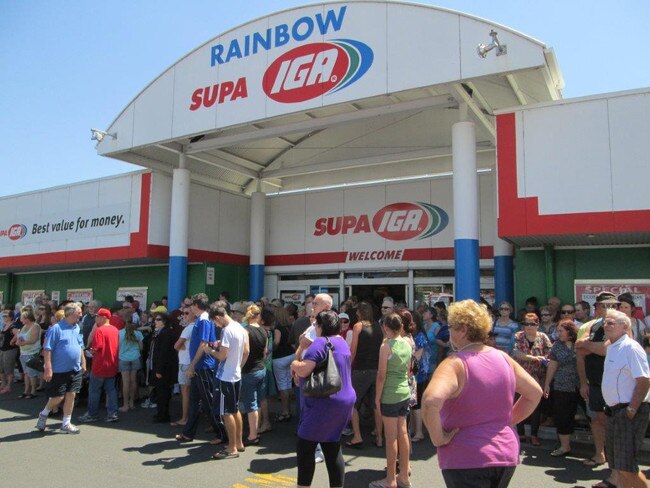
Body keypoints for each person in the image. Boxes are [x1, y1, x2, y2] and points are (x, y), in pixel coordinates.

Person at [422, 299, 543, 488]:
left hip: (465, 457)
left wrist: (438, 438)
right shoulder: (502, 357)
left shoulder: (455, 363)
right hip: (505, 453)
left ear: (463, 329)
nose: (449, 331)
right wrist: (507, 421)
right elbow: (534, 393)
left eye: (451, 326)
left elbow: (430, 402)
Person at [290, 310, 356, 488]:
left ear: (320, 326)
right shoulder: (341, 342)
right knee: (332, 446)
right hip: (344, 399)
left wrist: (294, 363)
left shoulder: (320, 343)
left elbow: (304, 369)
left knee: (305, 446)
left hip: (324, 401)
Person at [601, 309, 650, 488]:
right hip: (615, 412)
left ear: (624, 327)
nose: (606, 325)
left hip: (628, 412)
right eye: (605, 322)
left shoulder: (631, 347)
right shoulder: (611, 346)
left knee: (626, 467)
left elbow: (644, 380)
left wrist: (631, 410)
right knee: (618, 466)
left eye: (611, 323)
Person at [575, 292, 619, 473]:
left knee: (614, 420)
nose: (611, 309)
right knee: (597, 418)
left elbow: (607, 349)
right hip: (594, 382)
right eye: (606, 305)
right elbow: (579, 351)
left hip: (615, 383)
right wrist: (583, 382)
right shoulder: (590, 326)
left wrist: (589, 346)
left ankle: (616, 459)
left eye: (614, 305)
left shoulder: (621, 325)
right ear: (597, 307)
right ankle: (600, 454)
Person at [370, 313, 413, 488]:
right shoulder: (407, 342)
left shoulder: (386, 346)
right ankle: (404, 475)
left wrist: (377, 398)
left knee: (391, 438)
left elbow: (381, 376)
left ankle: (390, 479)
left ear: (386, 327)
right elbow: (409, 369)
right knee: (403, 434)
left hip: (390, 394)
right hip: (404, 392)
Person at [203, 301, 249, 459]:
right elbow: (246, 351)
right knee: (235, 410)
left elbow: (222, 356)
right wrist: (238, 366)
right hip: (235, 374)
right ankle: (239, 443)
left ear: (218, 317)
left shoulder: (227, 331)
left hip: (225, 377)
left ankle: (231, 448)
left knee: (226, 412)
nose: (215, 324)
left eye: (215, 321)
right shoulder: (240, 328)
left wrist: (209, 350)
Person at [175, 293, 222, 443]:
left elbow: (204, 344)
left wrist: (192, 365)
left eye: (191, 306)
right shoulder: (200, 320)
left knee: (209, 401)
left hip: (203, 367)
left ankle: (221, 433)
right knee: (195, 400)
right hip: (199, 366)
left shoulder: (204, 320)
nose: (189, 309)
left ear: (196, 306)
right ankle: (188, 433)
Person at [36, 303, 86, 434]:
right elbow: (47, 349)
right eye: (78, 312)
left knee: (71, 395)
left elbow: (80, 346)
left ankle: (66, 423)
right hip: (59, 370)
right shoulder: (56, 329)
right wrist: (48, 368)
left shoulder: (77, 328)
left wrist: (83, 362)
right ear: (70, 313)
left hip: (75, 369)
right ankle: (44, 413)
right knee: (58, 397)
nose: (81, 315)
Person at [346, 301, 383, 449]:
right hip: (376, 369)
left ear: (361, 313)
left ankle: (357, 436)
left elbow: (353, 350)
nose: (355, 314)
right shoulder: (379, 327)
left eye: (357, 312)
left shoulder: (358, 326)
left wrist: (347, 367)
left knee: (353, 404)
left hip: (361, 369)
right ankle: (380, 438)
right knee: (376, 405)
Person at [512, 312, 551, 446]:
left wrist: (545, 358)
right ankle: (520, 432)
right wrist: (535, 358)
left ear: (537, 325)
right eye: (526, 324)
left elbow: (550, 353)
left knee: (536, 406)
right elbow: (516, 353)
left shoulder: (543, 337)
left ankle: (534, 434)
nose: (528, 327)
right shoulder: (518, 336)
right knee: (518, 403)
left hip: (537, 376)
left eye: (532, 324)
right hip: (521, 375)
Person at [543, 319, 579, 457]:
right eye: (557, 331)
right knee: (563, 415)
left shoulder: (579, 344)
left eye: (561, 331)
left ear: (570, 332)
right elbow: (552, 365)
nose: (558, 334)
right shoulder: (557, 346)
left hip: (579, 384)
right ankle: (565, 446)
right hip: (562, 385)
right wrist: (547, 383)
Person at [79, 308, 119, 423]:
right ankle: (112, 414)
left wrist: (88, 351)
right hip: (111, 364)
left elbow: (96, 349)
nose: (96, 318)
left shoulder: (100, 331)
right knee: (111, 390)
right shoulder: (115, 330)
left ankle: (92, 414)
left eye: (98, 316)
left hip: (99, 365)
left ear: (104, 317)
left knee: (94, 391)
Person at [238, 304, 268, 445]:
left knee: (251, 405)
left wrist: (239, 367)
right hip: (261, 368)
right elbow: (265, 352)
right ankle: (256, 429)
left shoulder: (245, 331)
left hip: (248, 371)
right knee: (259, 401)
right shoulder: (264, 331)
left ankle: (252, 435)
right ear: (259, 316)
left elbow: (245, 352)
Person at [149, 312, 177, 423]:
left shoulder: (166, 333)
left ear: (164, 321)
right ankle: (161, 413)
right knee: (160, 392)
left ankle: (163, 415)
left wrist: (159, 370)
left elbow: (164, 353)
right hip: (157, 367)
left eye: (158, 319)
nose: (155, 321)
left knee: (163, 393)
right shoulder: (159, 332)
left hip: (163, 369)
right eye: (155, 319)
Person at [171, 305, 193, 426]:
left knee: (185, 392)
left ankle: (185, 418)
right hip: (190, 362)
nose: (184, 315)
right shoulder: (195, 327)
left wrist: (181, 345)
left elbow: (176, 345)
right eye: (183, 313)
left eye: (187, 313)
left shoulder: (188, 328)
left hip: (186, 363)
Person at [118, 317, 144, 412]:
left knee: (125, 382)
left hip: (123, 358)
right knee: (133, 381)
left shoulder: (119, 333)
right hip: (135, 357)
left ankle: (125, 405)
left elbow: (117, 347)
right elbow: (141, 348)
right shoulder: (138, 333)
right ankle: (131, 402)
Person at [15, 309, 42, 399]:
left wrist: (23, 343)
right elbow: (20, 337)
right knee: (26, 373)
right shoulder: (24, 326)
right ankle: (26, 391)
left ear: (27, 318)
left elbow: (33, 340)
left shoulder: (35, 326)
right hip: (23, 352)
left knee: (32, 373)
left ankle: (33, 391)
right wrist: (18, 341)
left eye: (22, 318)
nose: (21, 320)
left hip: (32, 353)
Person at [0, 309, 20, 394]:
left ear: (11, 317)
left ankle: (8, 386)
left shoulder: (13, 326)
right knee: (1, 368)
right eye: (3, 316)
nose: (4, 317)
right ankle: (3, 384)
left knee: (8, 368)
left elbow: (18, 334)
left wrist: (13, 341)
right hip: (3, 349)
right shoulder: (5, 325)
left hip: (10, 350)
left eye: (6, 316)